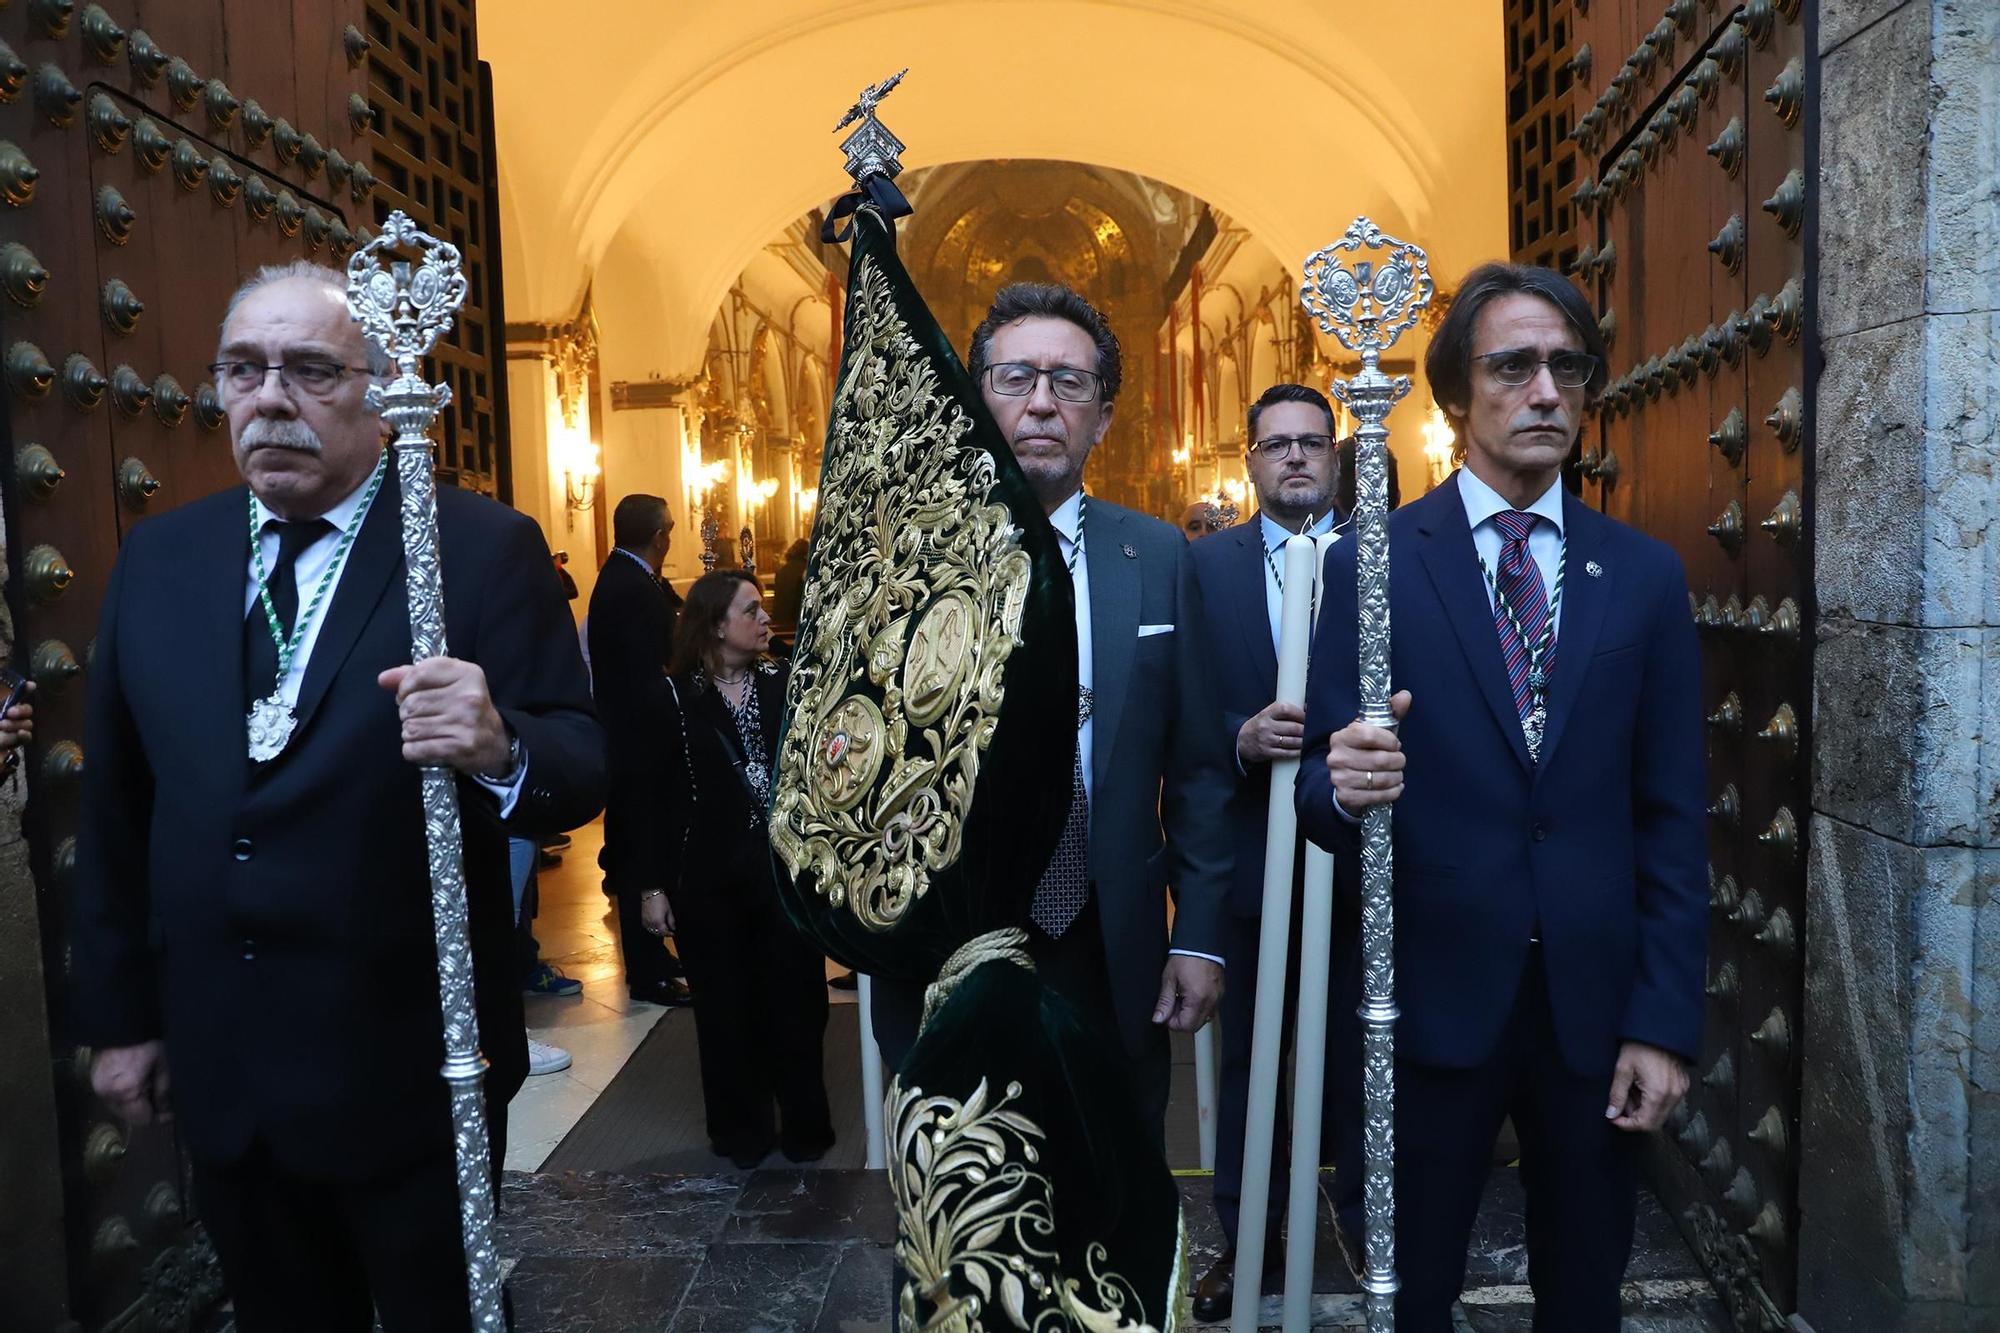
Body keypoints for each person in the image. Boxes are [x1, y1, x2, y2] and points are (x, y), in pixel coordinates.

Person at [69, 260, 605, 1329]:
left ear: (377, 390)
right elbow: (118, 810)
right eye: (243, 370)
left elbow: (581, 766)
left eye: (312, 369)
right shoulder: (162, 560)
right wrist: (123, 1019)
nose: (271, 397)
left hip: (410, 1063)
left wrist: (499, 744)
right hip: (227, 1064)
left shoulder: (473, 548)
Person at [1296, 262, 1706, 1330]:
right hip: (1430, 1001)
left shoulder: (1643, 575)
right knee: (1415, 1288)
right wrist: (1340, 787)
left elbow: (1669, 813)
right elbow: (1317, 795)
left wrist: (1661, 1022)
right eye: (1512, 366)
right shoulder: (1371, 568)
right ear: (1453, 394)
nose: (1544, 392)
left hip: (1592, 1007)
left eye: (1566, 368)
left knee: (1584, 1292)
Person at [870, 282, 1235, 1140]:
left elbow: (1199, 768)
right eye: (1016, 378)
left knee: (1113, 1196)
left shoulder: (1155, 555)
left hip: (1113, 941)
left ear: (1102, 418)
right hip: (949, 947)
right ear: (974, 397)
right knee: (971, 1206)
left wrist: (1203, 935)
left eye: (1070, 384)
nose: (1042, 401)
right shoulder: (901, 560)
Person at [1187, 383, 1361, 1317]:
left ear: (1336, 459)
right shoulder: (1203, 568)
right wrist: (1238, 736)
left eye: (1311, 443)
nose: (1295, 457)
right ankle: (1246, 1241)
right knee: (1256, 1062)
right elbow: (1178, 706)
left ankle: (1374, 1231)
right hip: (1256, 857)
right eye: (1275, 445)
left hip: (1375, 866)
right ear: (1249, 461)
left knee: (1364, 1058)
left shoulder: (1391, 560)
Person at [642, 569, 833, 1168]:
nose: (763, 618)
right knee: (725, 1009)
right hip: (707, 879)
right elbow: (648, 797)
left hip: (783, 874)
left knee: (798, 1003)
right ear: (716, 624)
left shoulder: (787, 683)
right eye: (750, 610)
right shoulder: (675, 697)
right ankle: (741, 1132)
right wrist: (650, 885)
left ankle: (806, 1126)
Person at [587, 493, 694, 1007]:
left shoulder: (631, 578)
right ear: (660, 535)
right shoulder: (629, 587)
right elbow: (643, 675)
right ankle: (647, 971)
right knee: (638, 856)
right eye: (669, 529)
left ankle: (656, 954)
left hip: (637, 739)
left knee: (650, 849)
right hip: (638, 743)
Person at [770, 538, 809, 629]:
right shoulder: (806, 570)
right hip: (797, 622)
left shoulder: (782, 571)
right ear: (806, 554)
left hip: (780, 620)